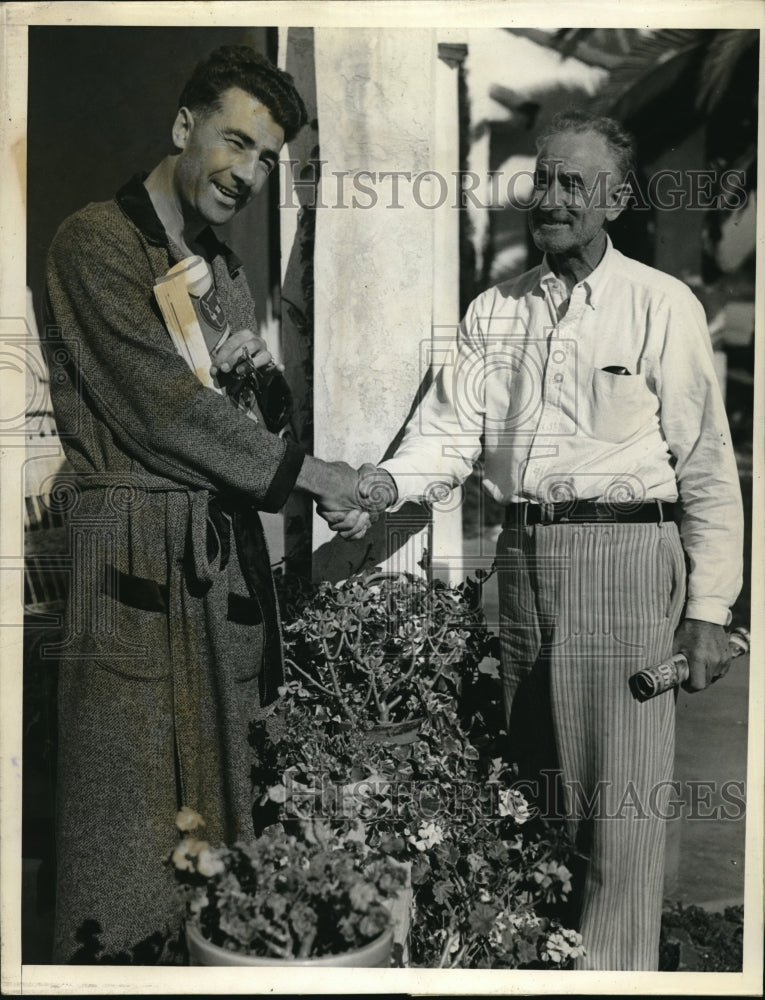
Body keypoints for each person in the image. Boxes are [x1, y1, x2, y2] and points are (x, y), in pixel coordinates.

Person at [325, 110, 744, 970]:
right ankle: (542, 966)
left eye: (572, 184)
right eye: (542, 179)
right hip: (519, 565)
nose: (548, 198)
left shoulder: (660, 306)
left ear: (616, 200)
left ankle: (615, 977)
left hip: (627, 561)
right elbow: (447, 436)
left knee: (618, 814)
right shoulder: (494, 312)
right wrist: (377, 485)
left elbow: (705, 466)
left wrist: (709, 608)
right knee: (530, 794)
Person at [42, 45, 377, 962]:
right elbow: (159, 409)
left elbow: (244, 417)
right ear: (184, 128)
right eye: (237, 142)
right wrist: (317, 476)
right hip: (133, 563)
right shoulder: (93, 243)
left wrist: (259, 373)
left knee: (225, 825)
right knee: (127, 826)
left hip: (219, 565)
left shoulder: (222, 269)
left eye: (268, 158)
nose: (250, 173)